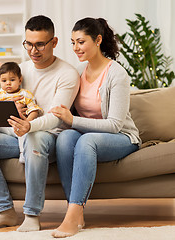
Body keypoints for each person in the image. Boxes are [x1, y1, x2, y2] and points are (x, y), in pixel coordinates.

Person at [0, 15, 80, 232]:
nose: (33, 50)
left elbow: (56, 116)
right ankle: (3, 211)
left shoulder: (67, 74)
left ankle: (32, 214)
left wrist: (29, 125)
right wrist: (0, 115)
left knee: (34, 137)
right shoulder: (19, 70)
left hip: (49, 137)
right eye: (28, 44)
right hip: (17, 135)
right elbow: (4, 106)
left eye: (40, 44)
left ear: (54, 42)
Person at [49, 17, 142, 238]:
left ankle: (73, 214)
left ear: (98, 40)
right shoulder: (78, 71)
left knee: (85, 140)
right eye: (72, 42)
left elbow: (115, 124)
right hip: (87, 134)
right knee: (64, 139)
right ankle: (75, 211)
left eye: (81, 42)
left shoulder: (117, 74)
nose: (75, 48)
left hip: (121, 137)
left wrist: (73, 121)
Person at [0, 61, 43, 163]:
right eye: (4, 80)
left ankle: (23, 153)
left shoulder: (25, 95)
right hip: (2, 126)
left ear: (20, 80)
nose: (8, 83)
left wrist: (27, 122)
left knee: (24, 134)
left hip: (17, 125)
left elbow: (34, 110)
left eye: (12, 80)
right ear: (0, 81)